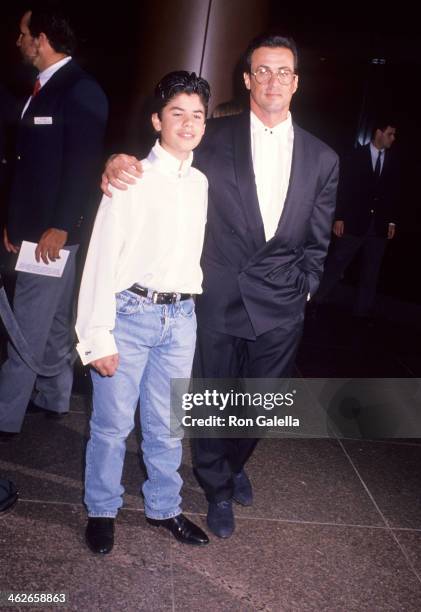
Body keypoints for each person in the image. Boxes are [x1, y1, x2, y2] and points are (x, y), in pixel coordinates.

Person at [101, 33, 339, 538]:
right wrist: (117, 163)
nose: (272, 80)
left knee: (260, 404)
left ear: (296, 83)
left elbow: (318, 241)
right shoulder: (214, 136)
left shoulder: (324, 158)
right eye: (263, 71)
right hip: (219, 294)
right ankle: (216, 486)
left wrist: (306, 287)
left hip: (282, 300)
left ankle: (232, 462)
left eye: (283, 72)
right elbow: (166, 158)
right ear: (248, 79)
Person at [76, 71, 210, 554]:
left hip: (181, 319)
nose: (188, 123)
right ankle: (102, 509)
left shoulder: (199, 182)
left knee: (168, 424)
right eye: (178, 113)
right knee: (112, 425)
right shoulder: (130, 175)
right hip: (129, 313)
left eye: (197, 115)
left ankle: (164, 507)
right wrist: (96, 335)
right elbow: (101, 257)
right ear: (157, 120)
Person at [0, 6, 108, 437]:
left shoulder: (80, 89)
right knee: (53, 318)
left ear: (41, 39)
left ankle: (5, 416)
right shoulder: (41, 88)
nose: (18, 41)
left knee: (25, 324)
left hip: (53, 234)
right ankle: (53, 395)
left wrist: (61, 227)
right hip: (33, 228)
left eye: (24, 34)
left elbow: (82, 165)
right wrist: (14, 221)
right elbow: (29, 165)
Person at [313, 120, 399, 318]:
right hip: (354, 222)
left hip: (378, 226)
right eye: (390, 134)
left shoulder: (393, 160)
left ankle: (363, 311)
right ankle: (316, 300)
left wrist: (392, 222)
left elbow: (395, 193)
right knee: (337, 263)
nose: (393, 138)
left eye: (394, 135)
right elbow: (343, 188)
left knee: (372, 270)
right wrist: (339, 217)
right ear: (379, 132)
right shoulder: (355, 156)